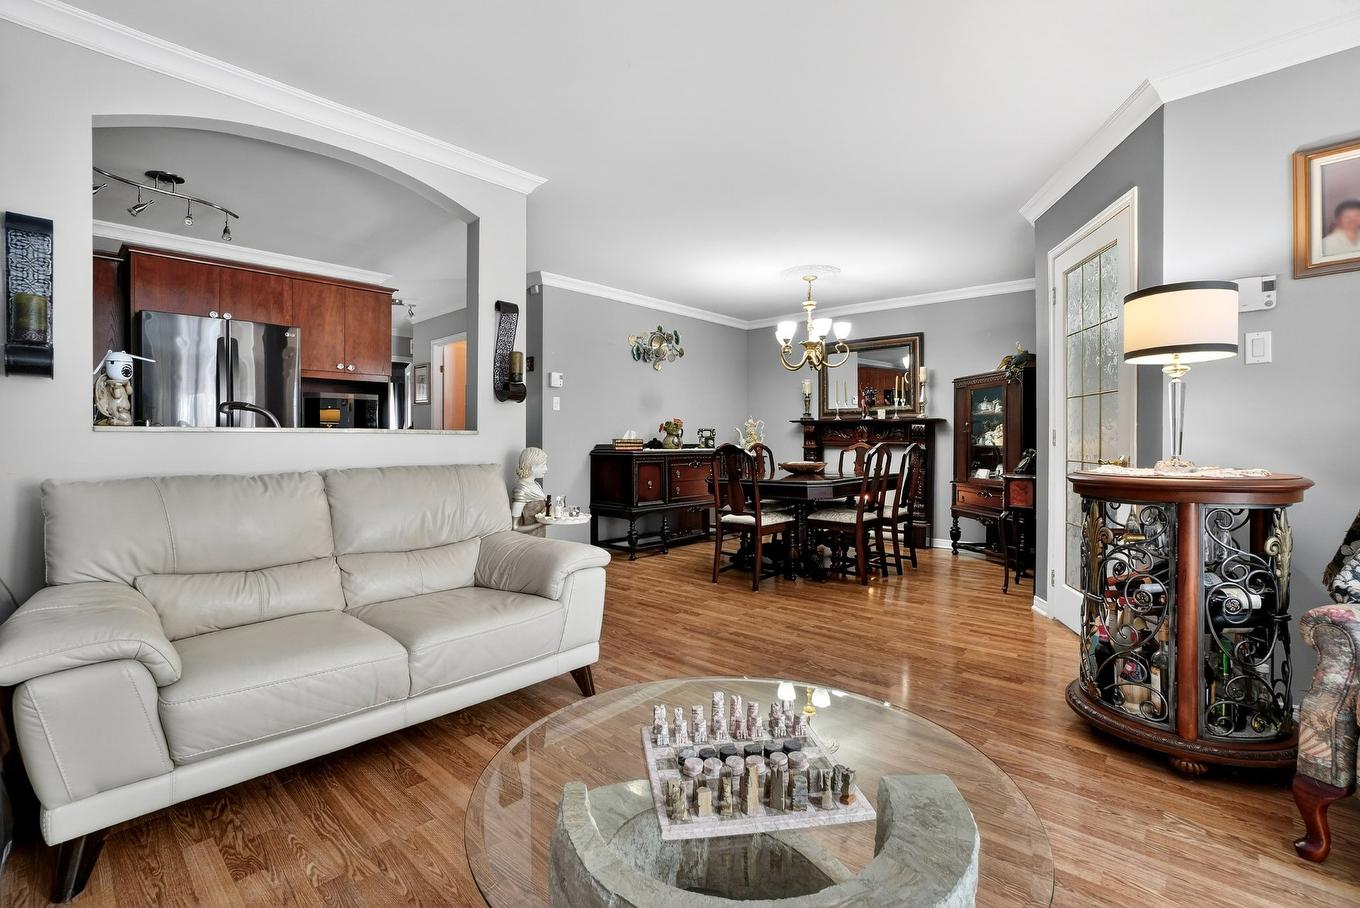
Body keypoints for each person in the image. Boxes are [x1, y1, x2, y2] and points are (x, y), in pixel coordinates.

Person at [510, 446, 548, 520]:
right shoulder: (521, 490)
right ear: (533, 467)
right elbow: (515, 527)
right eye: (543, 465)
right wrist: (544, 522)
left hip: (540, 531)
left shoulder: (536, 485)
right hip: (526, 532)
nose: (546, 469)